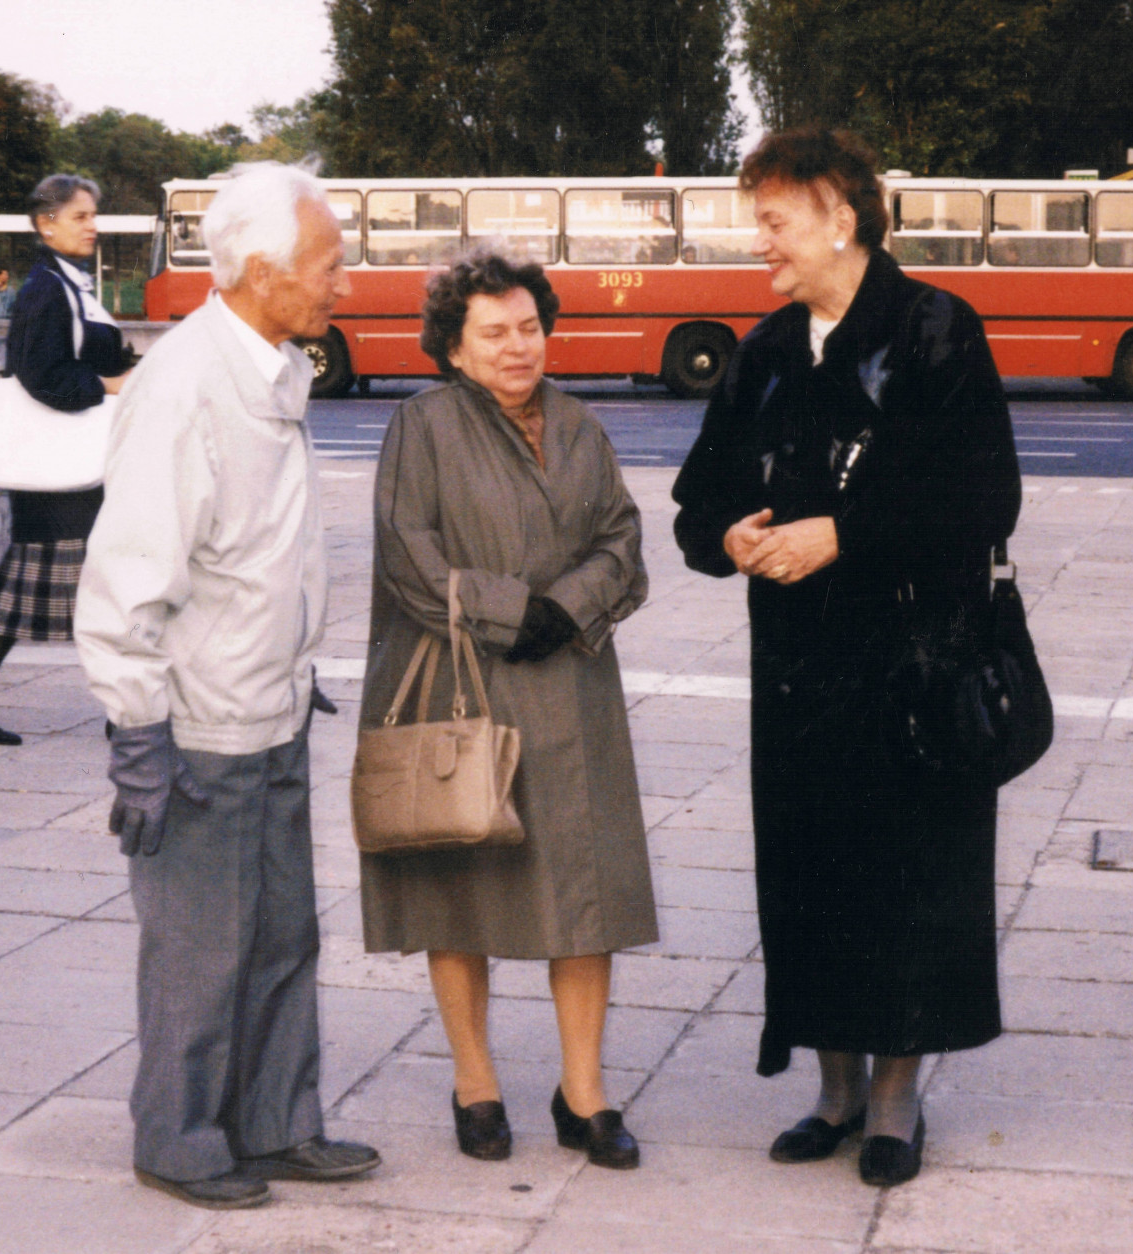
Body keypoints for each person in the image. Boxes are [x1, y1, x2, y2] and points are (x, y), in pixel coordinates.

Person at [672, 128, 1022, 1189]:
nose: (759, 244)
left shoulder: (933, 333)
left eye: (774, 221)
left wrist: (841, 534)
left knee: (914, 877)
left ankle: (894, 1100)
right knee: (812, 875)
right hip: (800, 682)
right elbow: (698, 503)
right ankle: (831, 1087)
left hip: (914, 670)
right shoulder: (767, 351)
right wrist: (729, 536)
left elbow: (985, 498)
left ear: (840, 213)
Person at [74, 161, 377, 1210]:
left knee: (284, 935)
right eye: (330, 260)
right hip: (199, 727)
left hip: (273, 708)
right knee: (202, 949)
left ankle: (277, 1121)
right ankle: (180, 1133)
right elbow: (128, 577)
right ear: (260, 271)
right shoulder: (188, 385)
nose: (346, 277)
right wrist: (137, 736)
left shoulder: (270, 365)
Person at [360, 251, 656, 1169]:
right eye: (494, 332)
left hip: (570, 681)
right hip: (459, 680)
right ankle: (476, 1082)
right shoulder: (422, 424)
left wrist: (566, 608)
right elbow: (408, 556)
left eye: (529, 326)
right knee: (460, 889)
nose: (518, 346)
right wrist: (508, 611)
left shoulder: (578, 422)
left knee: (588, 892)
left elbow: (623, 536)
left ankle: (585, 1093)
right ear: (453, 347)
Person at [0, 175, 134, 746]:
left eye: (93, 214)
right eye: (80, 216)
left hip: (64, 464)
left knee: (34, 589)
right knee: (106, 586)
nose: (92, 225)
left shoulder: (65, 283)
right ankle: (125, 712)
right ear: (45, 224)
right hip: (62, 466)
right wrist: (111, 384)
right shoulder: (47, 289)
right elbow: (42, 376)